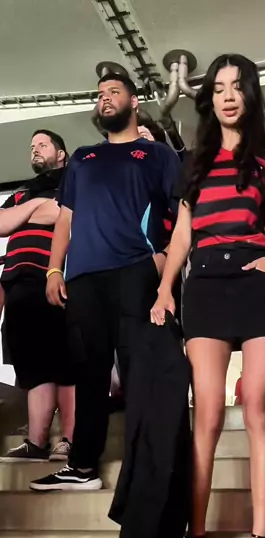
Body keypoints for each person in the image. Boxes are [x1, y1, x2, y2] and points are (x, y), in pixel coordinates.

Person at [151, 54, 265, 538]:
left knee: (258, 403)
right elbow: (181, 236)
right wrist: (165, 289)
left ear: (250, 95)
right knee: (207, 412)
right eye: (219, 88)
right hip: (207, 284)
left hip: (258, 283)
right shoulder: (192, 163)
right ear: (209, 98)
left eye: (237, 86)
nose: (228, 96)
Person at [30, 73, 181, 491]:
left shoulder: (157, 155)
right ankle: (82, 467)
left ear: (134, 102)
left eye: (114, 92)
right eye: (100, 94)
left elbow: (183, 214)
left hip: (135, 271)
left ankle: (148, 470)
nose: (105, 99)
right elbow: (66, 217)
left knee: (140, 371)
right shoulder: (82, 158)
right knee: (89, 372)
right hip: (83, 279)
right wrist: (54, 269)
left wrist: (163, 263)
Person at [0, 130, 75, 461]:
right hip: (18, 284)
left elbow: (62, 214)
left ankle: (69, 440)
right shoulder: (21, 192)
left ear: (61, 153)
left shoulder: (73, 182)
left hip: (60, 279)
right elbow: (0, 223)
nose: (35, 150)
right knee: (33, 367)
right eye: (32, 146)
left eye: (43, 145)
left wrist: (23, 214)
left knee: (68, 362)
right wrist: (34, 205)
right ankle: (36, 442)